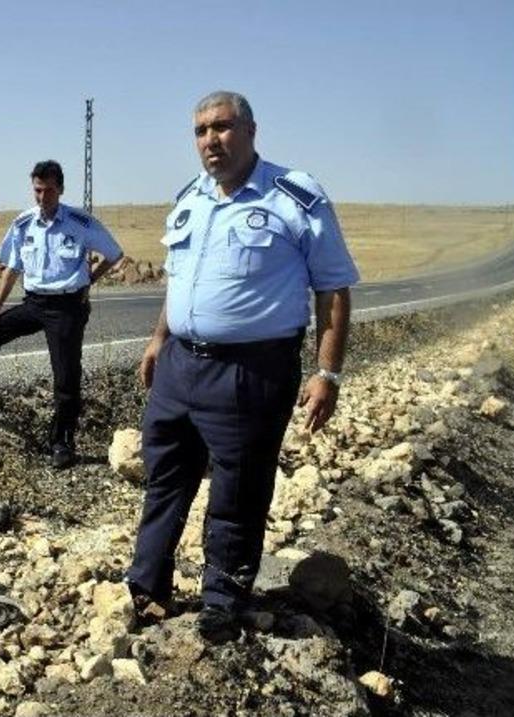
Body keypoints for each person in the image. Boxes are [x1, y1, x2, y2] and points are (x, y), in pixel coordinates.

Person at [126, 91, 359, 643]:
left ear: (251, 130)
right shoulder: (190, 198)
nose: (211, 140)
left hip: (251, 371)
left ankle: (222, 600)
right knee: (165, 477)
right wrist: (159, 339)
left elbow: (333, 288)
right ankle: (146, 587)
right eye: (201, 130)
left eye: (223, 127)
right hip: (181, 365)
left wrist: (327, 373)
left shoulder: (295, 196)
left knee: (238, 490)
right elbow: (181, 279)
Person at [0, 160, 124, 469]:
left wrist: (89, 280)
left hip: (67, 307)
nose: (42, 197)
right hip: (34, 302)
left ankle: (62, 442)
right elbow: (12, 268)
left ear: (61, 189)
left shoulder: (80, 222)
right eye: (38, 190)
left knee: (66, 377)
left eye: (49, 190)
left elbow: (114, 254)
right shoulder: (23, 223)